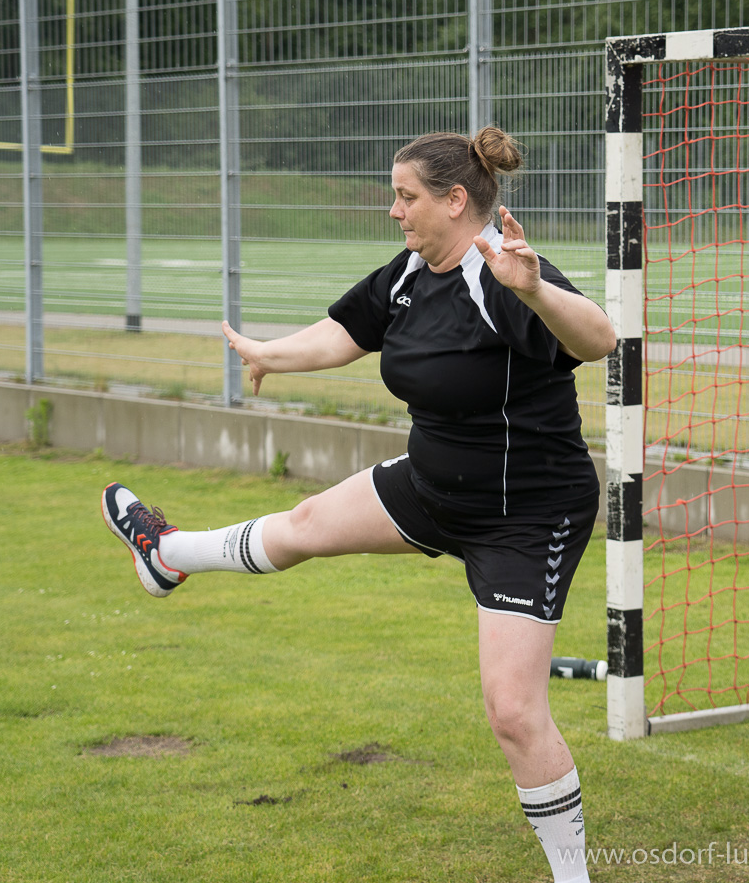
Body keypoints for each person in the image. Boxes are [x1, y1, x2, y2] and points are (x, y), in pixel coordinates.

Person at [101, 126, 616, 883]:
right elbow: (348, 331)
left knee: (512, 710)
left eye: (405, 197)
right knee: (306, 524)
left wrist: (535, 288)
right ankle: (167, 555)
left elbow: (600, 340)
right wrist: (269, 354)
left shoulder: (500, 273)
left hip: (526, 515)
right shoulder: (410, 273)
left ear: (455, 200)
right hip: (432, 486)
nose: (394, 210)